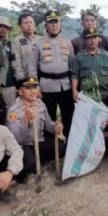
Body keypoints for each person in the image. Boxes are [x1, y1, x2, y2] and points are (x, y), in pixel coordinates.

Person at [7, 77, 64, 182]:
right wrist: (26, 120)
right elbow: (16, 138)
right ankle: (22, 172)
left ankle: (37, 159)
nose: (33, 91)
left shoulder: (40, 104)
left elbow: (48, 124)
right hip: (24, 145)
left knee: (62, 149)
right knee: (29, 165)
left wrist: (56, 127)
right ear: (20, 91)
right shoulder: (13, 111)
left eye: (34, 87)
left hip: (39, 141)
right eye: (28, 88)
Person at [29, 11, 75, 139]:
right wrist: (36, 88)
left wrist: (74, 87)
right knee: (48, 117)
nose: (54, 26)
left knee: (68, 116)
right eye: (51, 23)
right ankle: (50, 146)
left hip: (65, 86)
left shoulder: (67, 43)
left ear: (60, 25)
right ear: (46, 25)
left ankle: (69, 145)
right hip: (46, 86)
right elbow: (32, 67)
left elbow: (73, 66)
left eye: (56, 22)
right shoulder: (38, 43)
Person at [71, 28, 108, 102]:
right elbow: (74, 75)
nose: (92, 40)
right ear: (85, 41)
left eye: (95, 38)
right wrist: (74, 90)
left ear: (99, 39)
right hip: (86, 96)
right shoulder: (79, 56)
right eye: (89, 38)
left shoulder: (106, 55)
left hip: (104, 96)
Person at [0, 16, 17, 110]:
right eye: (0, 26)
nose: (3, 29)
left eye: (5, 27)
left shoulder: (10, 44)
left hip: (9, 84)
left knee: (10, 112)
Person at [11, 13, 41, 81]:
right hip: (26, 79)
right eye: (26, 23)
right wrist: (22, 80)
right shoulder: (16, 41)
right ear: (20, 26)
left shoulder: (41, 40)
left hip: (43, 79)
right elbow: (16, 63)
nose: (29, 25)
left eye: (31, 22)